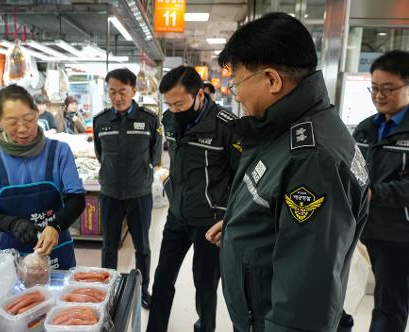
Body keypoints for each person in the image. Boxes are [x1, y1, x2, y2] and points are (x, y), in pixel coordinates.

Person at [206, 12, 369, 331]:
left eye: (237, 82)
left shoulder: (312, 157)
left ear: (272, 80)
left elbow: (305, 297)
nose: (235, 95)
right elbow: (277, 201)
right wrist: (245, 220)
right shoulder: (285, 129)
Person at [147, 66, 241, 332]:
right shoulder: (169, 119)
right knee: (162, 277)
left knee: (205, 285)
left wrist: (228, 216)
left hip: (210, 222)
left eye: (180, 103)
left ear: (199, 94)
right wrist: (168, 185)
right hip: (177, 215)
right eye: (169, 104)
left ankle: (205, 327)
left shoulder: (226, 125)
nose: (174, 109)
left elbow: (242, 174)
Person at [0, 85, 86, 270]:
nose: (22, 129)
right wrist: (13, 224)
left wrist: (55, 226)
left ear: (37, 113)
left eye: (28, 119)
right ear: (0, 122)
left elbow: (77, 200)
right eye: (12, 123)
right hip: (12, 256)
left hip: (56, 250)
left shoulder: (59, 151)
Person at [93, 68, 162, 309]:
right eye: (112, 92)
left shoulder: (149, 119)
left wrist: (142, 172)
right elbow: (100, 154)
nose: (117, 97)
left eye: (123, 91)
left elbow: (155, 153)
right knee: (109, 246)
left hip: (139, 194)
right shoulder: (100, 121)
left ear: (134, 90)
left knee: (142, 246)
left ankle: (144, 289)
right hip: (110, 194)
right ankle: (108, 289)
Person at [353, 50, 409, 332]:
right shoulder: (365, 129)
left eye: (388, 89)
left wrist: (376, 193)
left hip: (398, 234)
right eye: (374, 88)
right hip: (359, 228)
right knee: (344, 296)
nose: (378, 95)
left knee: (390, 304)